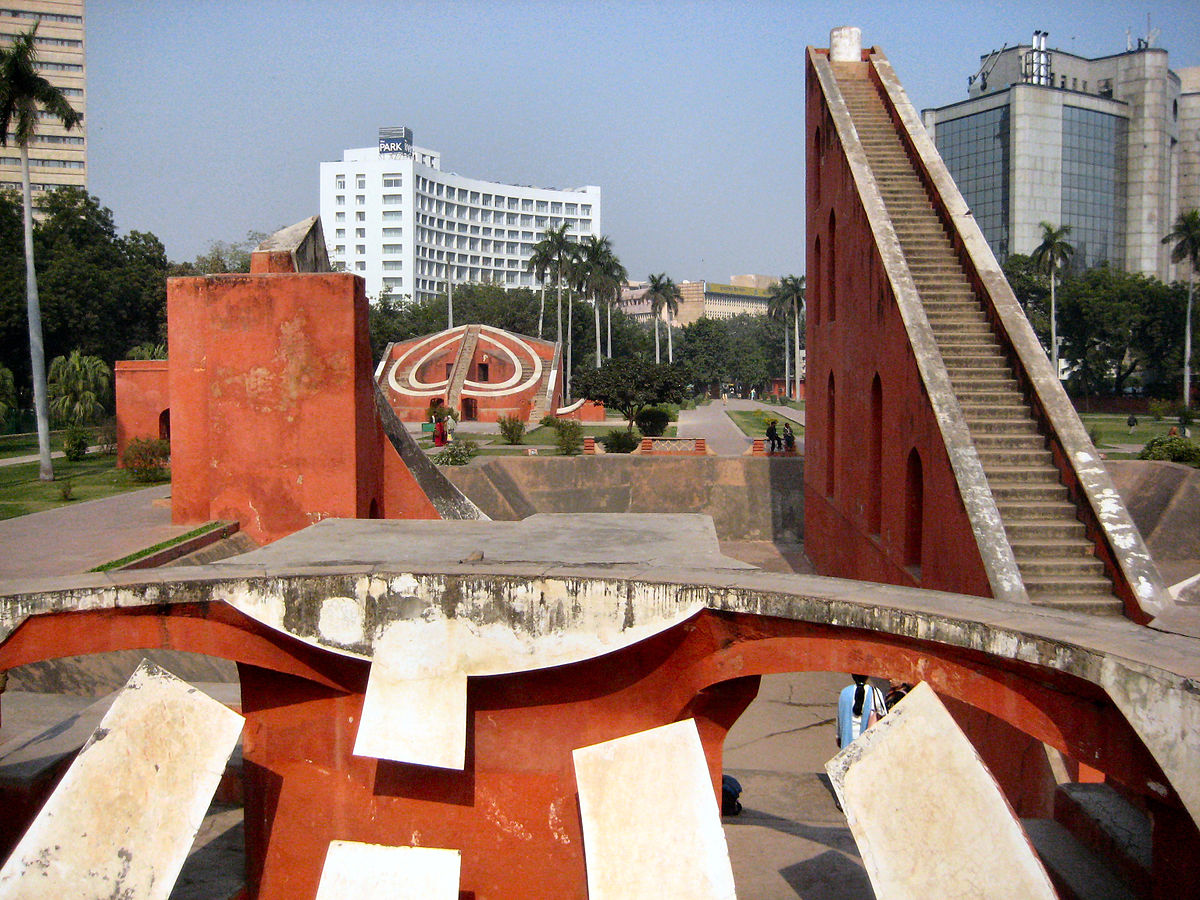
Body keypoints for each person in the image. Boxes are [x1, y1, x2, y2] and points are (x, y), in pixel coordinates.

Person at [836, 674, 887, 748]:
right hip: (867, 743)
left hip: (847, 743)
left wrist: (838, 736)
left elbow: (839, 717)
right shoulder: (875, 692)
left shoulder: (844, 692)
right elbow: (883, 714)